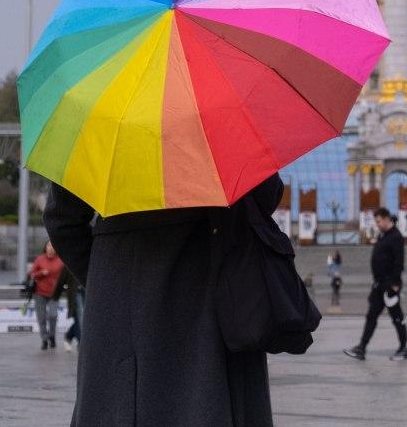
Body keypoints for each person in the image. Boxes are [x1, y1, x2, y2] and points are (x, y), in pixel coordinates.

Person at [44, 176, 285, 427]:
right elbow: (266, 196)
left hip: (127, 294)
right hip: (221, 292)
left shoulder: (103, 138)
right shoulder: (229, 136)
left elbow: (62, 221)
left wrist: (111, 284)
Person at [343, 208, 407, 361]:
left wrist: (395, 285)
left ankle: (403, 348)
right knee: (371, 316)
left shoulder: (396, 237)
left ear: (386, 219)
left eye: (378, 221)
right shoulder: (383, 236)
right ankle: (361, 348)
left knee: (397, 318)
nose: (377, 224)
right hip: (379, 285)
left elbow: (399, 262)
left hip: (390, 286)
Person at [29, 241, 65, 350]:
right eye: (49, 245)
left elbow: (66, 275)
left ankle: (52, 336)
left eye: (53, 245)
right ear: (45, 247)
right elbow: (31, 274)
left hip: (54, 293)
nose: (51, 248)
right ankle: (44, 339)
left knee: (53, 315)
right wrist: (41, 273)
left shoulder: (60, 260)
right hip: (40, 293)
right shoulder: (40, 259)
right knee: (42, 317)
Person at [53, 265, 83, 352]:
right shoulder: (70, 262)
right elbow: (61, 280)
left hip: (87, 292)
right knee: (80, 317)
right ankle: (80, 343)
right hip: (75, 293)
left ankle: (69, 336)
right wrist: (55, 297)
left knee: (84, 319)